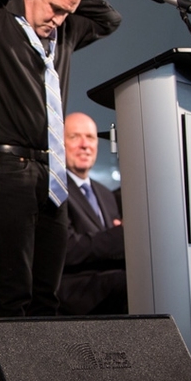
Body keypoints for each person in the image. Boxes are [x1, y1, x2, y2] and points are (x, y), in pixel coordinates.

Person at [0, 0, 121, 317]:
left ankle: (43, 358)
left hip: (52, 175)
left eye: (67, 12)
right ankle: (4, 359)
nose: (58, 19)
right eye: (55, 8)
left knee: (47, 296)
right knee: (11, 291)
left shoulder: (64, 32)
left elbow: (110, 19)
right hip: (6, 167)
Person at [58, 112, 127, 315]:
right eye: (74, 137)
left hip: (108, 283)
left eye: (90, 137)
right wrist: (120, 235)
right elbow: (66, 248)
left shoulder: (106, 194)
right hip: (74, 288)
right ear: (60, 144)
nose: (84, 145)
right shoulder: (55, 189)